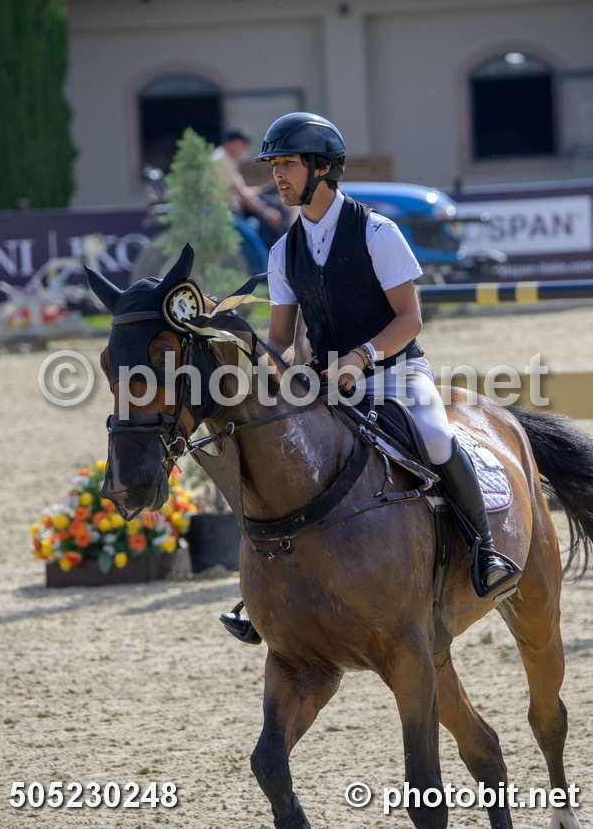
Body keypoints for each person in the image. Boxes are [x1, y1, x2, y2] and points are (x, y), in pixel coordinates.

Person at [221, 112, 521, 643]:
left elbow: (410, 319)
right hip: (325, 384)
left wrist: (360, 357)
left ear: (322, 168)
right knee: (275, 454)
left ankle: (485, 551)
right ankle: (262, 589)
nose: (277, 176)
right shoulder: (283, 251)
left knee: (435, 437)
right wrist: (267, 366)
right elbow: (283, 337)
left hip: (395, 372)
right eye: (273, 165)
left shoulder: (378, 232)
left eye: (287, 164)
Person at [212, 130, 284, 270]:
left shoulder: (225, 159)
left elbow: (244, 191)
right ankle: (270, 263)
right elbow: (242, 194)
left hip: (231, 206)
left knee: (272, 202)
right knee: (270, 220)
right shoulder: (222, 161)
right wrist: (267, 212)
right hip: (227, 210)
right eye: (243, 146)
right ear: (234, 144)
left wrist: (267, 187)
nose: (244, 150)